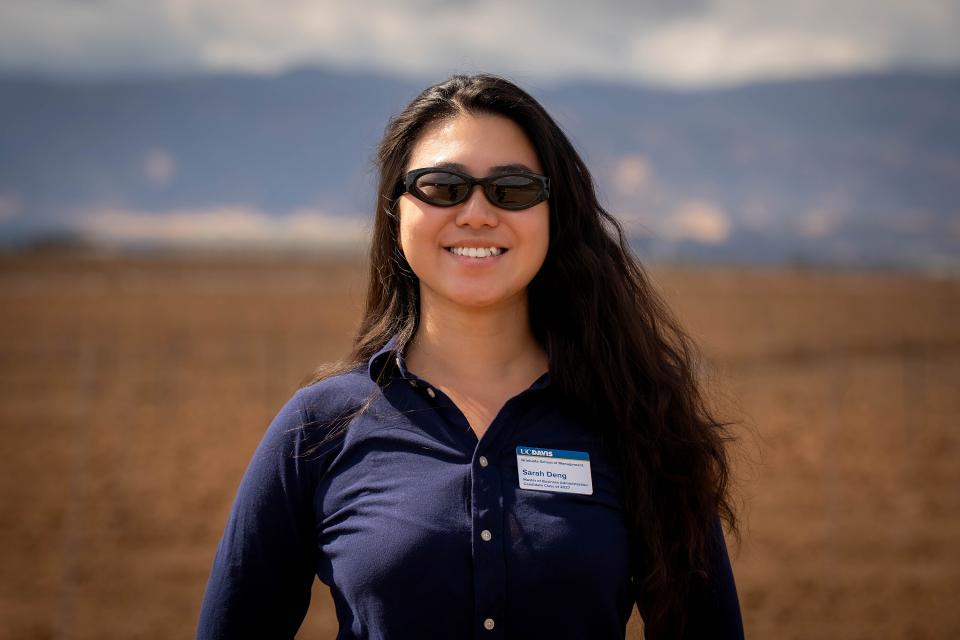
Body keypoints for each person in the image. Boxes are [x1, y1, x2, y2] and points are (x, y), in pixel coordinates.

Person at [197, 73, 744, 639]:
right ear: (396, 211)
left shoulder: (637, 420)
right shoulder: (318, 428)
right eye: (442, 186)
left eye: (513, 188)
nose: (477, 213)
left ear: (555, 214)